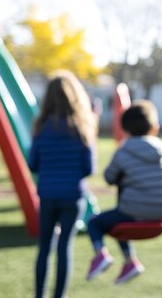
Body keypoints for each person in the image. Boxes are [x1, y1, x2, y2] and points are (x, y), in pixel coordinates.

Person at [86, 99, 162, 284]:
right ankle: (131, 262)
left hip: (133, 212)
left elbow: (109, 178)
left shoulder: (124, 150)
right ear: (154, 127)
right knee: (123, 210)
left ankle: (101, 254)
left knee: (95, 223)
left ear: (125, 129)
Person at [28, 70, 97, 298]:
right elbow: (89, 168)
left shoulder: (40, 127)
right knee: (64, 248)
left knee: (44, 248)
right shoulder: (81, 128)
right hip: (72, 197)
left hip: (47, 196)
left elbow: (33, 164)